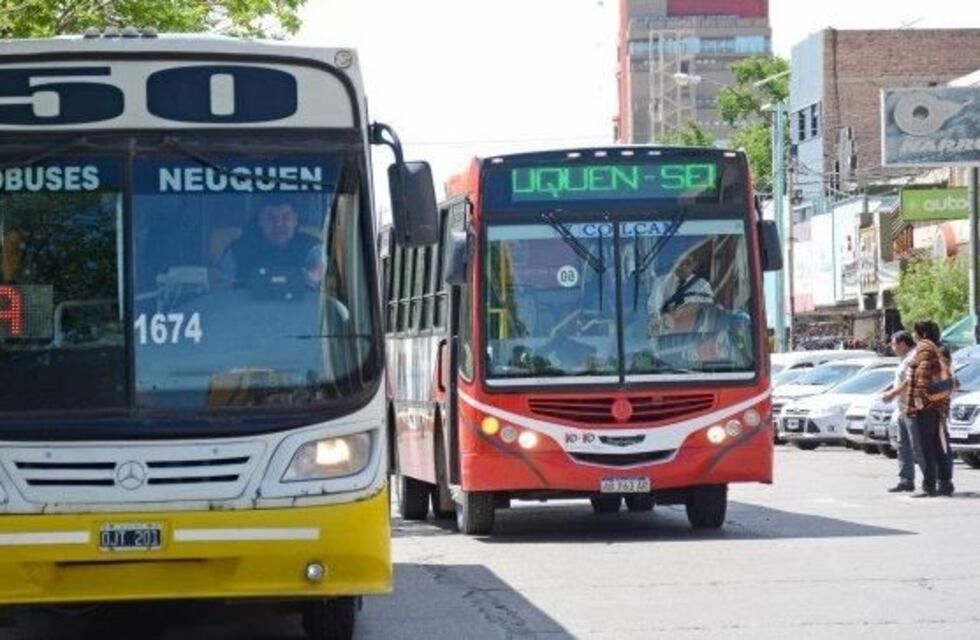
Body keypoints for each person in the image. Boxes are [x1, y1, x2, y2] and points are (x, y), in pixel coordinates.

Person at [215, 199, 325, 291]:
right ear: (260, 221)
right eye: (270, 218)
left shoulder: (312, 247)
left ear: (295, 220)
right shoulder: (237, 250)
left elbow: (319, 277)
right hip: (246, 312)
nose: (278, 224)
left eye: (286, 217)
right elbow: (222, 288)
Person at [906, 320, 954, 497]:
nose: (913, 335)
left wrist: (919, 397)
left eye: (915, 331)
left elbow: (923, 373)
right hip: (936, 404)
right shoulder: (935, 346)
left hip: (925, 405)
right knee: (937, 445)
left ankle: (929, 486)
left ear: (922, 333)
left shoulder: (924, 346)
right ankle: (943, 483)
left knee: (925, 447)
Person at [882, 331, 920, 492]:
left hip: (913, 407)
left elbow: (910, 380)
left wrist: (893, 393)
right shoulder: (903, 359)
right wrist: (889, 390)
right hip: (902, 408)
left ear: (903, 344)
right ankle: (906, 480)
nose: (892, 347)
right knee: (903, 445)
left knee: (918, 446)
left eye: (893, 344)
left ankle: (930, 482)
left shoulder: (913, 357)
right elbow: (900, 380)